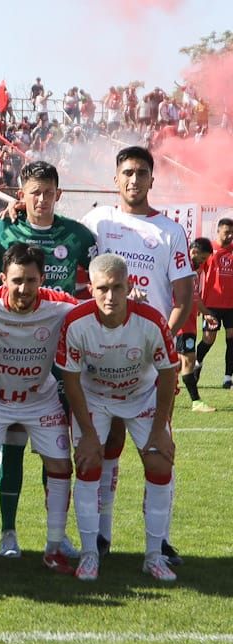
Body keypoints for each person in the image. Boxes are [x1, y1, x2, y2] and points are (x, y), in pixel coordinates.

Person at [80, 146, 192, 565]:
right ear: (115, 179)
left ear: (151, 179)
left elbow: (183, 298)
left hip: (151, 368)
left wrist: (159, 338)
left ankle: (159, 540)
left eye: (141, 173)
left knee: (160, 448)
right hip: (101, 361)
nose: (134, 180)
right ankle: (102, 536)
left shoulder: (169, 231)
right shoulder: (97, 222)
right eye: (127, 172)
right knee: (105, 447)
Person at [0, 161, 95, 559]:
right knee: (11, 446)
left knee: (57, 449)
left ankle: (57, 534)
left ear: (58, 194)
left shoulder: (78, 235)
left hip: (58, 358)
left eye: (49, 192)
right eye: (35, 192)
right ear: (22, 193)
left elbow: (95, 281)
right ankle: (8, 533)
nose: (42, 200)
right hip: (10, 355)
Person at [57, 253, 180, 582]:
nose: (110, 296)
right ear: (90, 288)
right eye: (102, 288)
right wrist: (87, 434)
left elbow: (168, 372)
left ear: (130, 287)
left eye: (117, 287)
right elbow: (70, 379)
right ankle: (89, 555)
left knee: (159, 463)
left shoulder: (151, 320)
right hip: (95, 397)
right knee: (87, 464)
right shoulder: (76, 322)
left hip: (141, 397)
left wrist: (159, 431)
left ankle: (154, 556)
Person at [0, 244, 78, 574]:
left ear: (42, 280)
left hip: (40, 401)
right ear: (2, 279)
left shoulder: (59, 305)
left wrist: (134, 299)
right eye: (16, 281)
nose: (23, 289)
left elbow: (95, 308)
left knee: (60, 466)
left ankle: (53, 548)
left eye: (30, 281)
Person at [178, 237, 215, 412]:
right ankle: (196, 402)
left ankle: (156, 393)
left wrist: (206, 313)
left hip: (190, 322)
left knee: (177, 364)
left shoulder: (192, 271)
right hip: (182, 323)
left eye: (203, 260)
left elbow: (195, 296)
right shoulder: (180, 269)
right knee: (189, 360)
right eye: (200, 258)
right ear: (192, 251)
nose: (200, 262)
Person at [197, 218, 233, 388]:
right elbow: (196, 272)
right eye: (227, 232)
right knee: (208, 339)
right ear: (218, 231)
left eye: (232, 233)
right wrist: (196, 301)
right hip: (211, 304)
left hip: (231, 305)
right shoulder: (208, 250)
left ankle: (228, 377)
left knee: (231, 339)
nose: (230, 236)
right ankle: (196, 363)